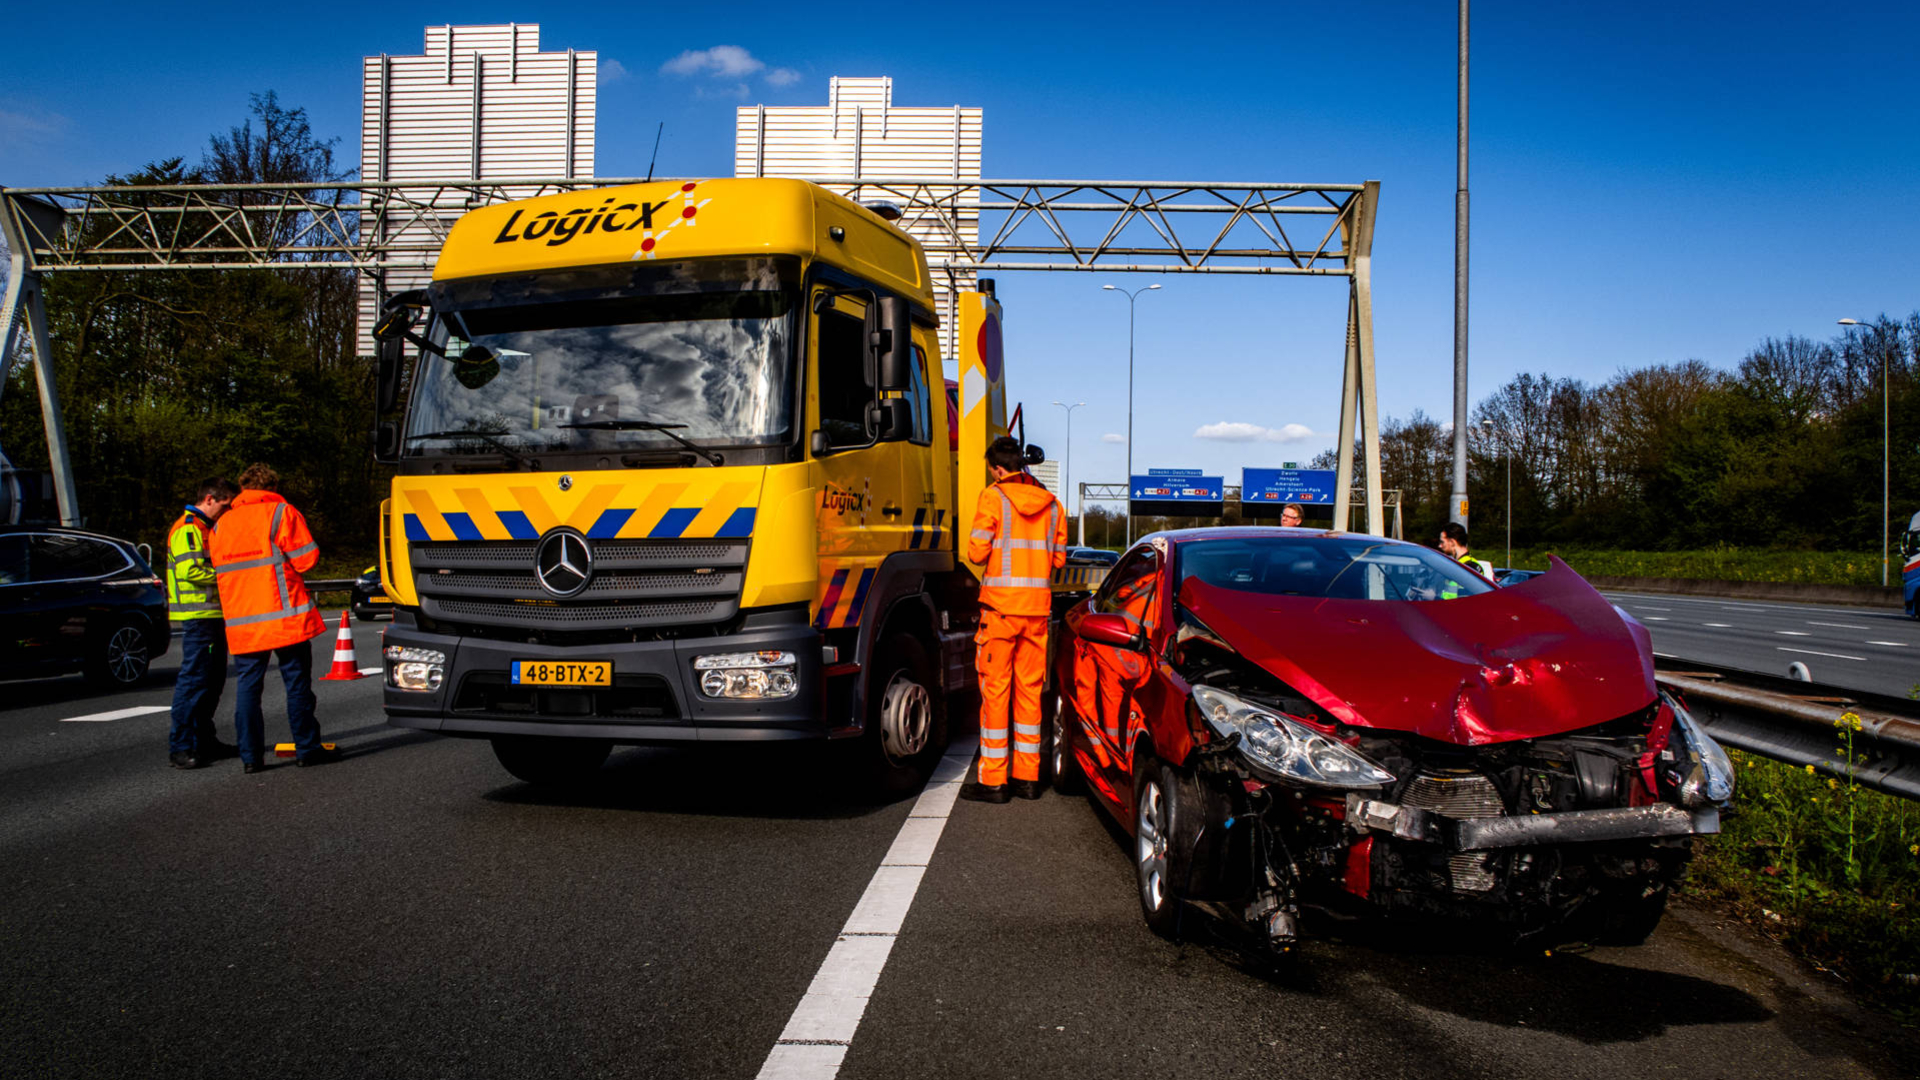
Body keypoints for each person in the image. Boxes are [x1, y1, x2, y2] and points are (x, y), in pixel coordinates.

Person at [208, 463, 340, 772]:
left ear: (243, 489)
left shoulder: (220, 525)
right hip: (285, 618)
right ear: (273, 487)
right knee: (296, 685)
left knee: (248, 690)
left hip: (243, 622)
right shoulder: (281, 513)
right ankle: (307, 749)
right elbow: (307, 560)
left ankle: (251, 758)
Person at [961, 436, 1068, 803]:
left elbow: (976, 552)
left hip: (1001, 612)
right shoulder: (1053, 504)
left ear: (996, 467)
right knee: (1030, 695)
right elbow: (1058, 561)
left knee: (996, 693)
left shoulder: (993, 497)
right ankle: (1027, 779)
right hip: (1037, 612)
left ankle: (994, 782)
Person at [165, 477, 240, 769]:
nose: (227, 511)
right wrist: (229, 576)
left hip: (212, 615)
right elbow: (191, 571)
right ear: (209, 498)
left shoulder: (205, 528)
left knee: (212, 682)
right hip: (199, 617)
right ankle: (181, 746)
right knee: (195, 681)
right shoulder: (188, 529)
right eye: (224, 504)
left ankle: (205, 740)